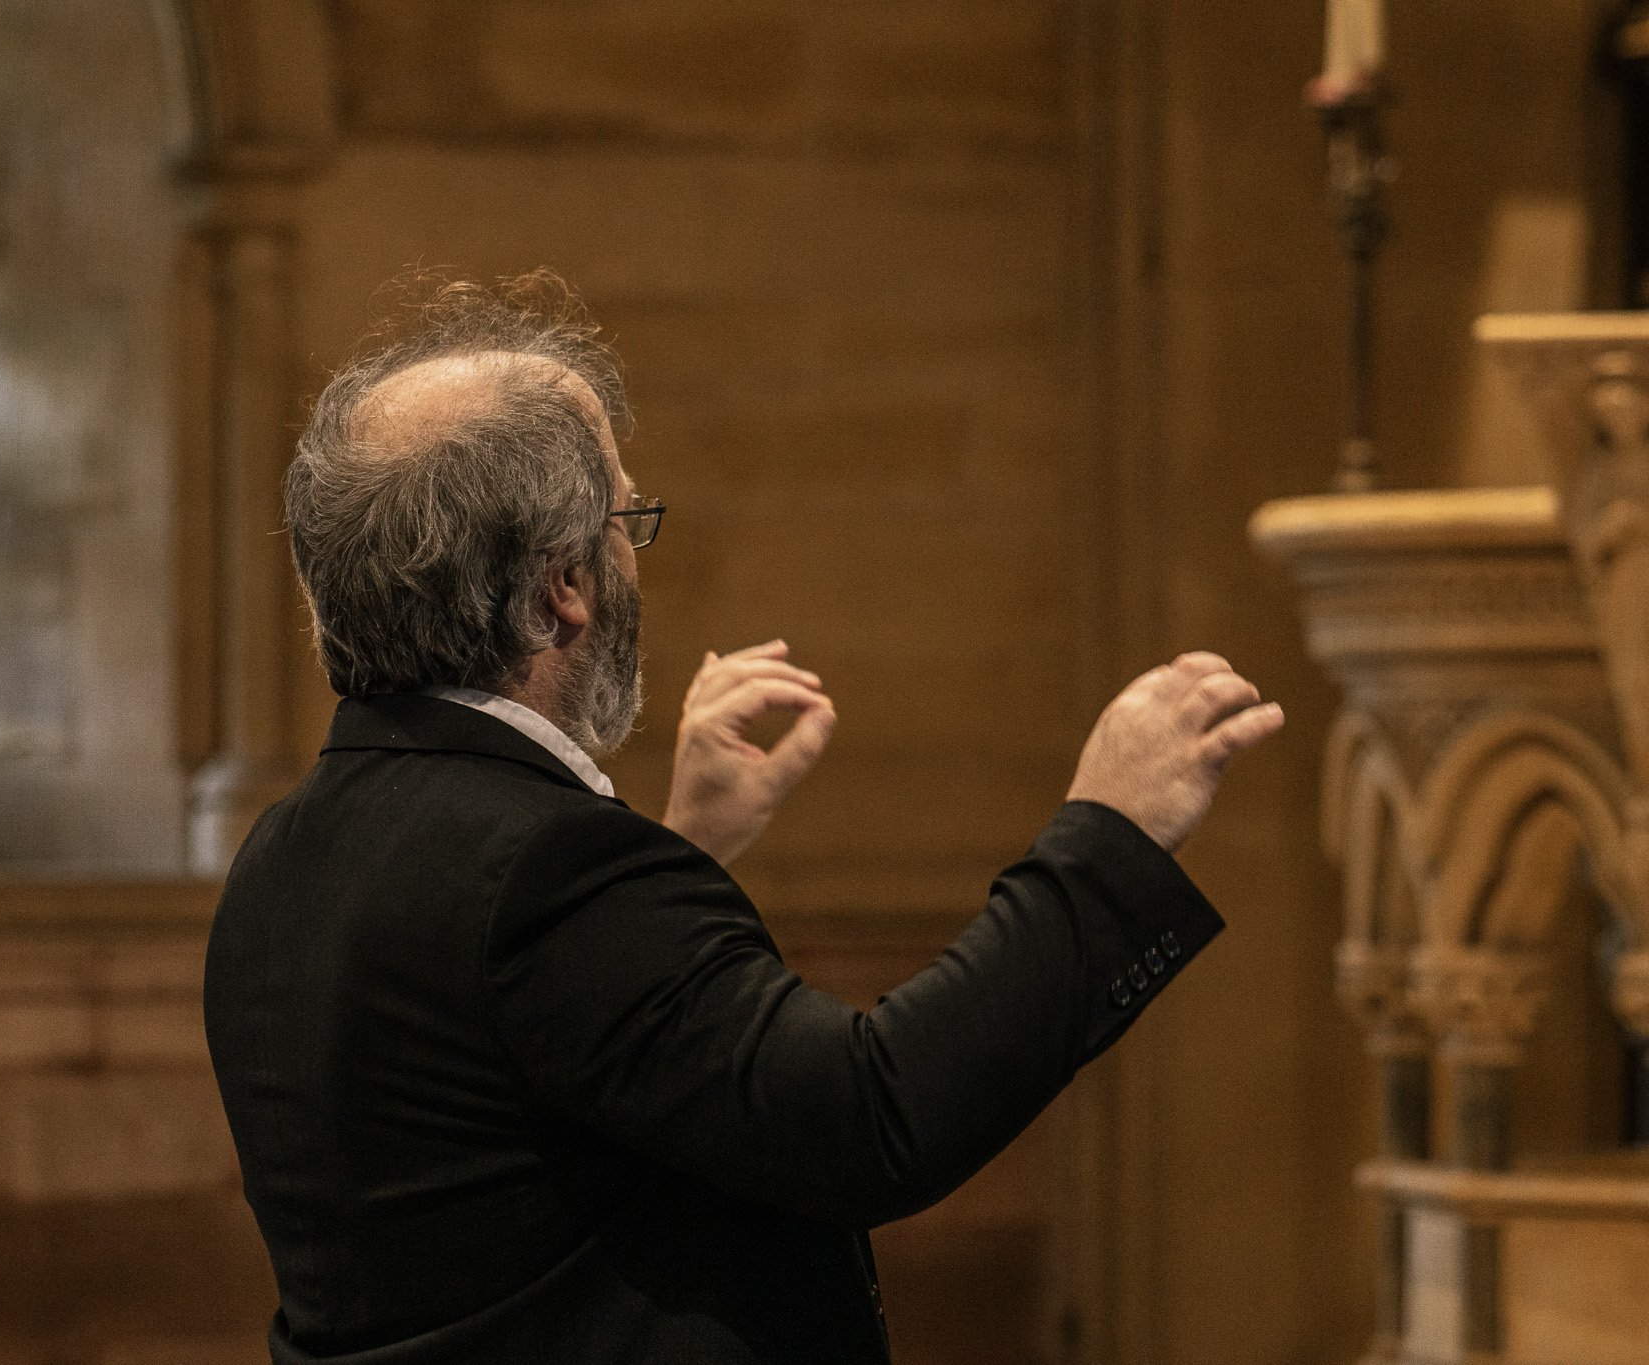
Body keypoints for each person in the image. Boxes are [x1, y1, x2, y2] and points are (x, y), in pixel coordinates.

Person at [204, 271, 1284, 1365]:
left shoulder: (281, 857)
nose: (633, 555)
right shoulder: (546, 869)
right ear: (560, 585)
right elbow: (868, 1115)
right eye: (624, 521)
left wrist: (681, 846)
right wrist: (1109, 836)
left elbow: (520, 1115)